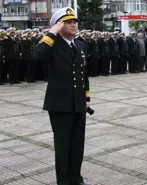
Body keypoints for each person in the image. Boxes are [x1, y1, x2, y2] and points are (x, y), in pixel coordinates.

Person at [33, 7, 91, 185]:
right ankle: (64, 181)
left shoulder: (80, 44)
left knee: (77, 144)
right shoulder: (52, 45)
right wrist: (52, 33)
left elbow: (83, 74)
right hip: (59, 104)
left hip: (78, 103)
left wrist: (87, 99)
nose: (73, 25)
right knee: (63, 145)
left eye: (75, 22)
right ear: (58, 25)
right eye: (68, 22)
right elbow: (36, 56)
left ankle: (75, 177)